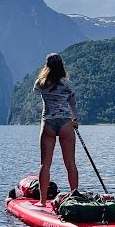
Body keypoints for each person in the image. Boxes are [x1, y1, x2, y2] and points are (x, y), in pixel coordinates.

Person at [33, 53, 79, 207]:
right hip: (66, 123)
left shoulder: (40, 83)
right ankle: (74, 198)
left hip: (48, 123)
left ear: (47, 67)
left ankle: (42, 201)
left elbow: (38, 92)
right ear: (61, 66)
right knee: (70, 163)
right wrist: (75, 119)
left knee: (45, 164)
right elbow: (72, 104)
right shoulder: (67, 85)